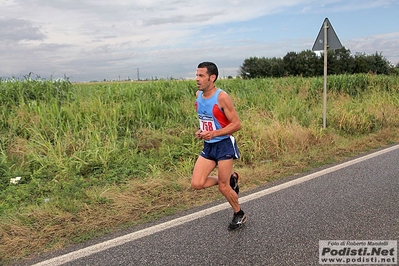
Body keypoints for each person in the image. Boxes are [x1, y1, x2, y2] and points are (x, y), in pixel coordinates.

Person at [191, 61, 247, 230]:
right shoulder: (198, 95)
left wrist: (214, 133)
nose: (197, 79)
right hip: (209, 146)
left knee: (223, 188)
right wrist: (202, 132)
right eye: (196, 75)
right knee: (197, 184)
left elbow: (236, 124)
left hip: (224, 145)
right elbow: (209, 121)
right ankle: (230, 179)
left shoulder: (222, 97)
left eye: (201, 75)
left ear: (212, 77)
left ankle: (239, 214)